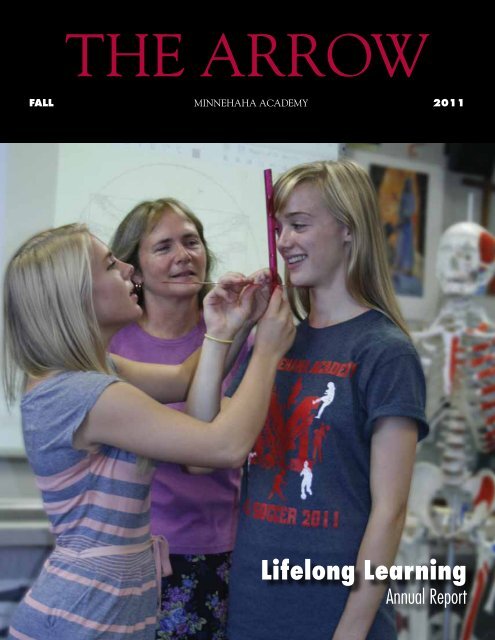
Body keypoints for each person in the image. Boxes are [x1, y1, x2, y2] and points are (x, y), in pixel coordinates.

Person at [3, 223, 295, 640]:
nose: (128, 269)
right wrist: (267, 351)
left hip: (107, 615)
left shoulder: (91, 375)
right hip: (83, 621)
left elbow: (181, 378)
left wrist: (231, 325)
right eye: (110, 265)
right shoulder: (87, 394)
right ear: (77, 295)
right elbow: (223, 444)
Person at [207, 159, 428, 640]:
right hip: (254, 607)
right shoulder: (276, 342)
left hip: (335, 616)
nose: (284, 241)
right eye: (279, 227)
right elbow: (203, 450)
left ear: (347, 229)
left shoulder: (385, 352)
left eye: (299, 225)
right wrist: (226, 334)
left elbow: (390, 513)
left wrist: (350, 631)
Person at [109, 197, 249, 640]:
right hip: (133, 553)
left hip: (224, 546)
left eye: (192, 242)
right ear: (133, 268)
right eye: (164, 247)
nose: (183, 256)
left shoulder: (242, 339)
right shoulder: (111, 343)